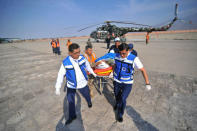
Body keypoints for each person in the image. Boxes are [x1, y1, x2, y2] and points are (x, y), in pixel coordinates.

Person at [96, 43, 151, 122]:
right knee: (117, 96)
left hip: (127, 83)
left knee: (123, 98)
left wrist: (147, 83)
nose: (122, 55)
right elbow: (114, 64)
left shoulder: (134, 59)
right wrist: (112, 71)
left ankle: (120, 113)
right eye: (120, 53)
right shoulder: (116, 55)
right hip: (117, 81)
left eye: (124, 53)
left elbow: (143, 70)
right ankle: (117, 104)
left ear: (128, 51)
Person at [55, 43, 97, 125]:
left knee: (87, 95)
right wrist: (57, 87)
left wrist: (93, 73)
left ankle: (89, 102)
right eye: (76, 53)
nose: (78, 54)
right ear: (70, 53)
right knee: (71, 101)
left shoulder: (82, 58)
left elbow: (87, 66)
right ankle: (72, 116)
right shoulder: (65, 63)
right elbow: (60, 75)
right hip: (71, 85)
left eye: (79, 52)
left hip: (82, 83)